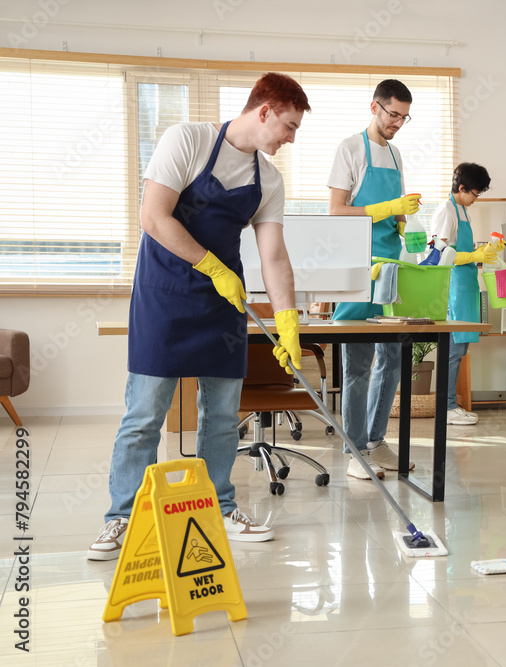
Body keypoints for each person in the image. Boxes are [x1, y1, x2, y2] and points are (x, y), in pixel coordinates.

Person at [88, 72, 310, 560]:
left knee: (222, 418)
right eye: (290, 126)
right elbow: (153, 216)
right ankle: (120, 517)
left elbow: (273, 256)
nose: (291, 138)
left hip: (222, 302)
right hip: (164, 292)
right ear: (265, 111)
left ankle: (218, 506)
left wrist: (287, 321)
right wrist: (210, 263)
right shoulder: (187, 139)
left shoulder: (267, 179)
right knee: (145, 413)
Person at [327, 79, 420, 480]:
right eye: (392, 114)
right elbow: (336, 211)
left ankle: (376, 443)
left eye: (404, 117)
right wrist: (387, 207)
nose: (397, 123)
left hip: (391, 267)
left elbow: (393, 215)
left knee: (393, 358)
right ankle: (354, 452)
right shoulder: (349, 149)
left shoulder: (396, 155)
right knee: (359, 363)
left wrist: (406, 222)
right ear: (374, 107)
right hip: (359, 268)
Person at [428, 162, 497, 426]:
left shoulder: (463, 210)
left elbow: (462, 250)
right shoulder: (447, 210)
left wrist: (483, 254)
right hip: (453, 286)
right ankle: (445, 408)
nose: (476, 199)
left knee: (462, 347)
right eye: (475, 193)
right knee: (453, 349)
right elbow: (440, 253)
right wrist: (473, 255)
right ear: (462, 187)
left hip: (467, 284)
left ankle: (451, 405)